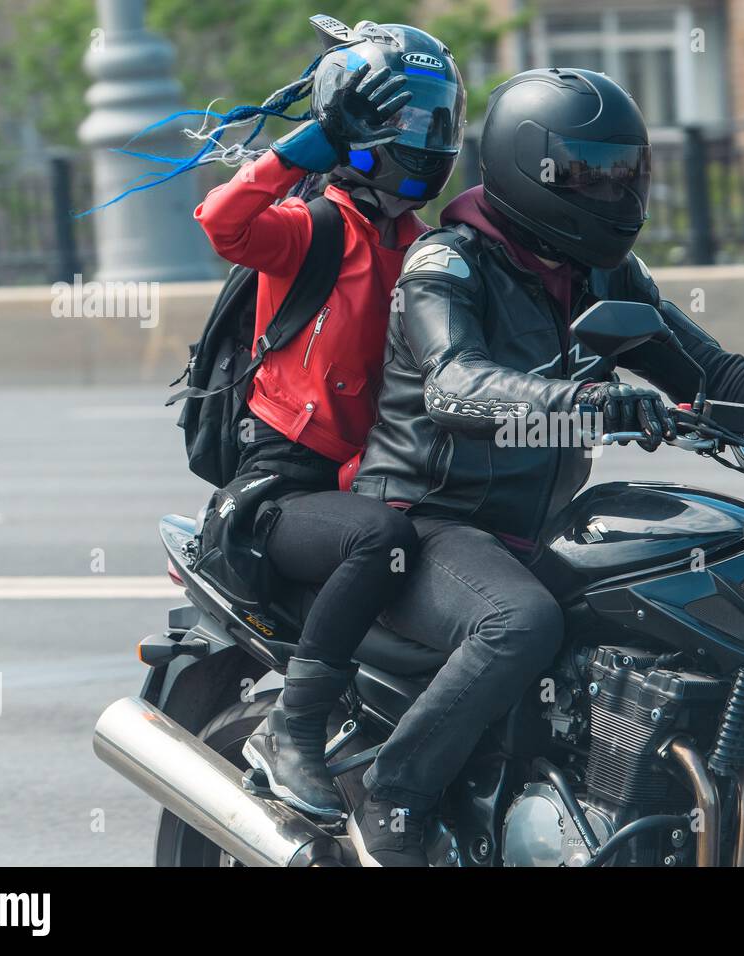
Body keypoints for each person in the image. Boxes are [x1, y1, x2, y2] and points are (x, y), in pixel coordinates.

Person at [344, 67, 744, 865]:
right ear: (519, 169)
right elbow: (453, 383)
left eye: (623, 172)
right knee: (522, 623)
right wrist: (585, 402)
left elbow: (707, 371)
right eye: (584, 172)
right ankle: (392, 799)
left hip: (538, 529)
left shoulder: (599, 274)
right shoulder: (449, 264)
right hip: (427, 525)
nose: (610, 191)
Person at [191, 19, 465, 818]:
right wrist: (309, 143)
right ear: (357, 125)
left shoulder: (422, 247)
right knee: (380, 542)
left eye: (436, 120)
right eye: (407, 120)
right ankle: (292, 728)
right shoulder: (314, 229)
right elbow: (222, 223)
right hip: (281, 485)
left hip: (368, 474)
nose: (427, 138)